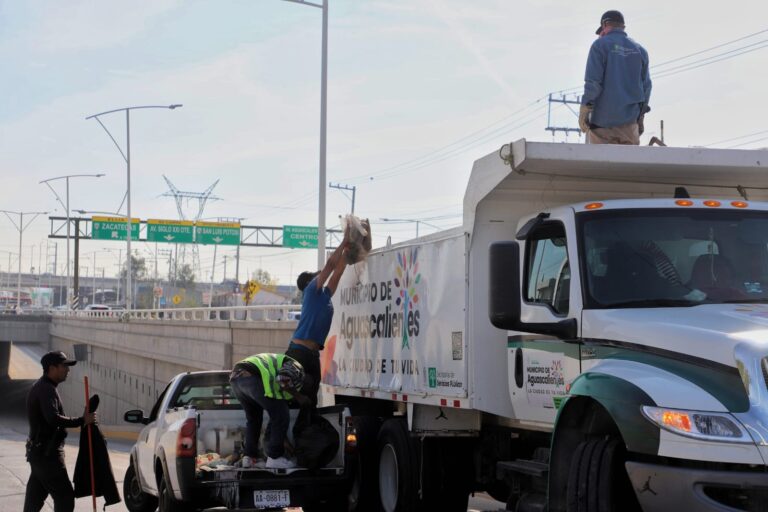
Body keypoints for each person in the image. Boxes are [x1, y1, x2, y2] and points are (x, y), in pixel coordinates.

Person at [24, 351, 96, 512]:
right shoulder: (46, 389)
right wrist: (82, 420)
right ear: (52, 368)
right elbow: (53, 418)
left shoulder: (44, 387)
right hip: (47, 456)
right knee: (65, 498)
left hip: (39, 454)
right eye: (64, 366)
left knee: (33, 501)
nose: (68, 370)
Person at [286, 233, 350, 408]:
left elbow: (337, 272)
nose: (319, 275)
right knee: (294, 397)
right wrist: (344, 241)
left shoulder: (325, 295)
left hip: (313, 354)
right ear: (309, 282)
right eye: (315, 275)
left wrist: (348, 251)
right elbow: (330, 266)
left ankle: (306, 433)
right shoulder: (310, 291)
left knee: (311, 400)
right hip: (299, 352)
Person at [578, 10, 652, 145]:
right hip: (629, 126)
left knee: (601, 165)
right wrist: (640, 117)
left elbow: (593, 83)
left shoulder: (599, 45)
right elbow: (647, 87)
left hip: (601, 126)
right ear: (622, 27)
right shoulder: (640, 50)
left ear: (605, 24)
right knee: (627, 165)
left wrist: (584, 110)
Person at [229, 353, 307, 469]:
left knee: (254, 420)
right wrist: (299, 396)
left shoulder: (278, 362)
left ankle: (249, 457)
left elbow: (282, 384)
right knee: (281, 415)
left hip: (236, 380)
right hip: (250, 377)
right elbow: (283, 379)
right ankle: (275, 458)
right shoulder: (297, 366)